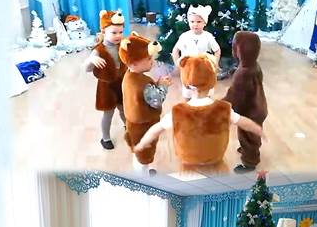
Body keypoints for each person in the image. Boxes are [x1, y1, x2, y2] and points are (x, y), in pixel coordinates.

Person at [134, 55, 264, 174]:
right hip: (216, 162)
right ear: (212, 81)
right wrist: (258, 130)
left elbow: (156, 130)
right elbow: (243, 122)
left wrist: (142, 143)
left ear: (187, 84)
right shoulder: (224, 109)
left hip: (188, 164)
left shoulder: (177, 112)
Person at [119, 33, 170, 174]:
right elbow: (156, 101)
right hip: (144, 126)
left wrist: (156, 85)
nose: (152, 61)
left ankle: (142, 170)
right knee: (144, 152)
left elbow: (144, 96)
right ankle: (143, 177)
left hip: (133, 123)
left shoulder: (129, 76)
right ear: (134, 63)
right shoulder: (142, 85)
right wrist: (163, 86)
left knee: (138, 151)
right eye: (148, 59)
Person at [223, 31, 268, 173]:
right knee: (251, 133)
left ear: (239, 50)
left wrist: (221, 105)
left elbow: (234, 95)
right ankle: (249, 149)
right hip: (258, 106)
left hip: (250, 111)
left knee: (248, 136)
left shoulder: (243, 73)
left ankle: (250, 161)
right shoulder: (253, 65)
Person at [85, 10, 127, 150]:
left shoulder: (122, 46)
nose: (118, 36)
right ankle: (105, 137)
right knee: (108, 113)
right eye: (114, 32)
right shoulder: (99, 50)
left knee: (124, 109)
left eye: (120, 32)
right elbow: (86, 69)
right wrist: (91, 60)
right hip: (106, 87)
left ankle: (128, 127)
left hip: (122, 83)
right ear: (103, 31)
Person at [172, 6, 221, 99]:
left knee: (206, 92)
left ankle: (206, 104)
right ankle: (188, 106)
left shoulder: (208, 36)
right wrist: (177, 64)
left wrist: (215, 63)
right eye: (192, 22)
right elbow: (175, 50)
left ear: (204, 23)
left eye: (199, 22)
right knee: (188, 93)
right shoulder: (184, 36)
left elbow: (217, 50)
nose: (195, 24)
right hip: (188, 69)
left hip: (203, 69)